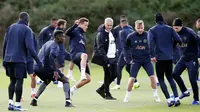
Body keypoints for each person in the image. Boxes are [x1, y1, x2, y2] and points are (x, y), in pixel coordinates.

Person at [2, 12, 42, 111]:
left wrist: (4, 59)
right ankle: (17, 105)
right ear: (27, 20)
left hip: (8, 59)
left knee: (12, 81)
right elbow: (30, 47)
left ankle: (10, 103)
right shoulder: (27, 29)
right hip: (19, 59)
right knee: (19, 81)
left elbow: (5, 44)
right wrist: (38, 60)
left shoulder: (11, 27)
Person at [30, 30, 74, 107]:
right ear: (57, 37)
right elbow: (51, 56)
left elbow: (40, 54)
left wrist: (36, 69)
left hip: (37, 67)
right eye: (62, 37)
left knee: (47, 80)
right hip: (46, 68)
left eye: (64, 36)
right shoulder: (55, 46)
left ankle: (34, 100)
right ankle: (68, 102)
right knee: (65, 80)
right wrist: (55, 71)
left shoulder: (48, 43)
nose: (64, 38)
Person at [148, 13, 181, 107]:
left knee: (161, 79)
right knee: (170, 77)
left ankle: (169, 99)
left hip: (159, 58)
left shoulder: (152, 30)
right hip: (169, 57)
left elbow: (151, 44)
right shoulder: (170, 29)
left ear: (155, 20)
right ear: (163, 19)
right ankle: (177, 98)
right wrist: (172, 47)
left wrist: (152, 56)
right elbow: (179, 39)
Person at [123, 20, 160, 103]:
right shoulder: (130, 36)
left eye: (141, 28)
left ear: (144, 27)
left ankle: (156, 95)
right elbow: (125, 47)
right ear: (135, 27)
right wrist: (127, 58)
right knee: (132, 79)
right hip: (136, 60)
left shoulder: (148, 35)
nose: (140, 30)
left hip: (147, 60)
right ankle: (127, 96)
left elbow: (154, 46)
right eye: (138, 28)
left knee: (152, 77)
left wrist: (153, 56)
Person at [172, 18, 200, 105]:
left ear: (181, 26)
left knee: (192, 79)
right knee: (175, 74)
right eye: (174, 28)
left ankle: (196, 99)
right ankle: (184, 91)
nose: (175, 29)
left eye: (177, 28)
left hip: (193, 58)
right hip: (183, 58)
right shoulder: (174, 34)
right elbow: (172, 45)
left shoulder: (190, 32)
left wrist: (199, 56)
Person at [92, 17, 117, 100]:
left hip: (113, 57)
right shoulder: (101, 34)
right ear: (104, 24)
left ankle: (101, 89)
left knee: (115, 74)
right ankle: (107, 94)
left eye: (111, 25)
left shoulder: (112, 32)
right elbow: (100, 47)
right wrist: (105, 59)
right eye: (108, 25)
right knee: (107, 75)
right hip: (106, 58)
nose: (109, 27)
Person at [111, 17, 139, 90]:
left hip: (125, 52)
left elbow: (124, 44)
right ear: (127, 23)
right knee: (128, 68)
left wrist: (124, 54)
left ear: (121, 24)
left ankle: (118, 84)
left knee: (119, 67)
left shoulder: (121, 32)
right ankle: (136, 82)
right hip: (133, 52)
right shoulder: (132, 31)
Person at [66, 18, 91, 98]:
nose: (86, 27)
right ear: (80, 24)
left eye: (87, 25)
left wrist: (86, 62)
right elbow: (67, 32)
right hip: (75, 55)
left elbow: (83, 49)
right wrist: (75, 25)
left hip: (82, 57)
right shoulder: (75, 31)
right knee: (84, 55)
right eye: (85, 25)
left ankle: (72, 90)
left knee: (88, 79)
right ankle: (82, 74)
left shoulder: (83, 35)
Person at [37, 18, 58, 84]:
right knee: (43, 65)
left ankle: (55, 79)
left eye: (57, 23)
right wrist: (41, 48)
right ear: (51, 22)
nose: (56, 24)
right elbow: (39, 39)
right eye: (55, 23)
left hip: (52, 50)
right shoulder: (45, 30)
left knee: (54, 64)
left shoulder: (56, 30)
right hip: (45, 51)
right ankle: (39, 79)